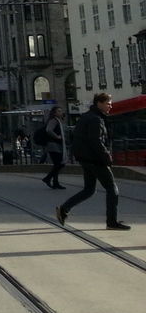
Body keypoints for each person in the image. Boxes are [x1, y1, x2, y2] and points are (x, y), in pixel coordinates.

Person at [57, 93, 130, 231]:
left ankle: (64, 209)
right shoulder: (95, 119)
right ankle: (112, 222)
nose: (111, 106)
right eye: (108, 103)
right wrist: (106, 157)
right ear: (99, 103)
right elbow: (96, 141)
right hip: (95, 160)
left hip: (86, 159)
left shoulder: (87, 116)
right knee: (112, 189)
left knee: (89, 189)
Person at [40, 106, 66, 190]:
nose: (60, 112)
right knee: (60, 164)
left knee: (57, 164)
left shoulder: (58, 121)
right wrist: (57, 137)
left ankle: (55, 182)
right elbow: (48, 130)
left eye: (61, 111)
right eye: (58, 111)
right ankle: (48, 178)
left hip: (56, 145)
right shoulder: (53, 120)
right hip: (53, 145)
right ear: (54, 113)